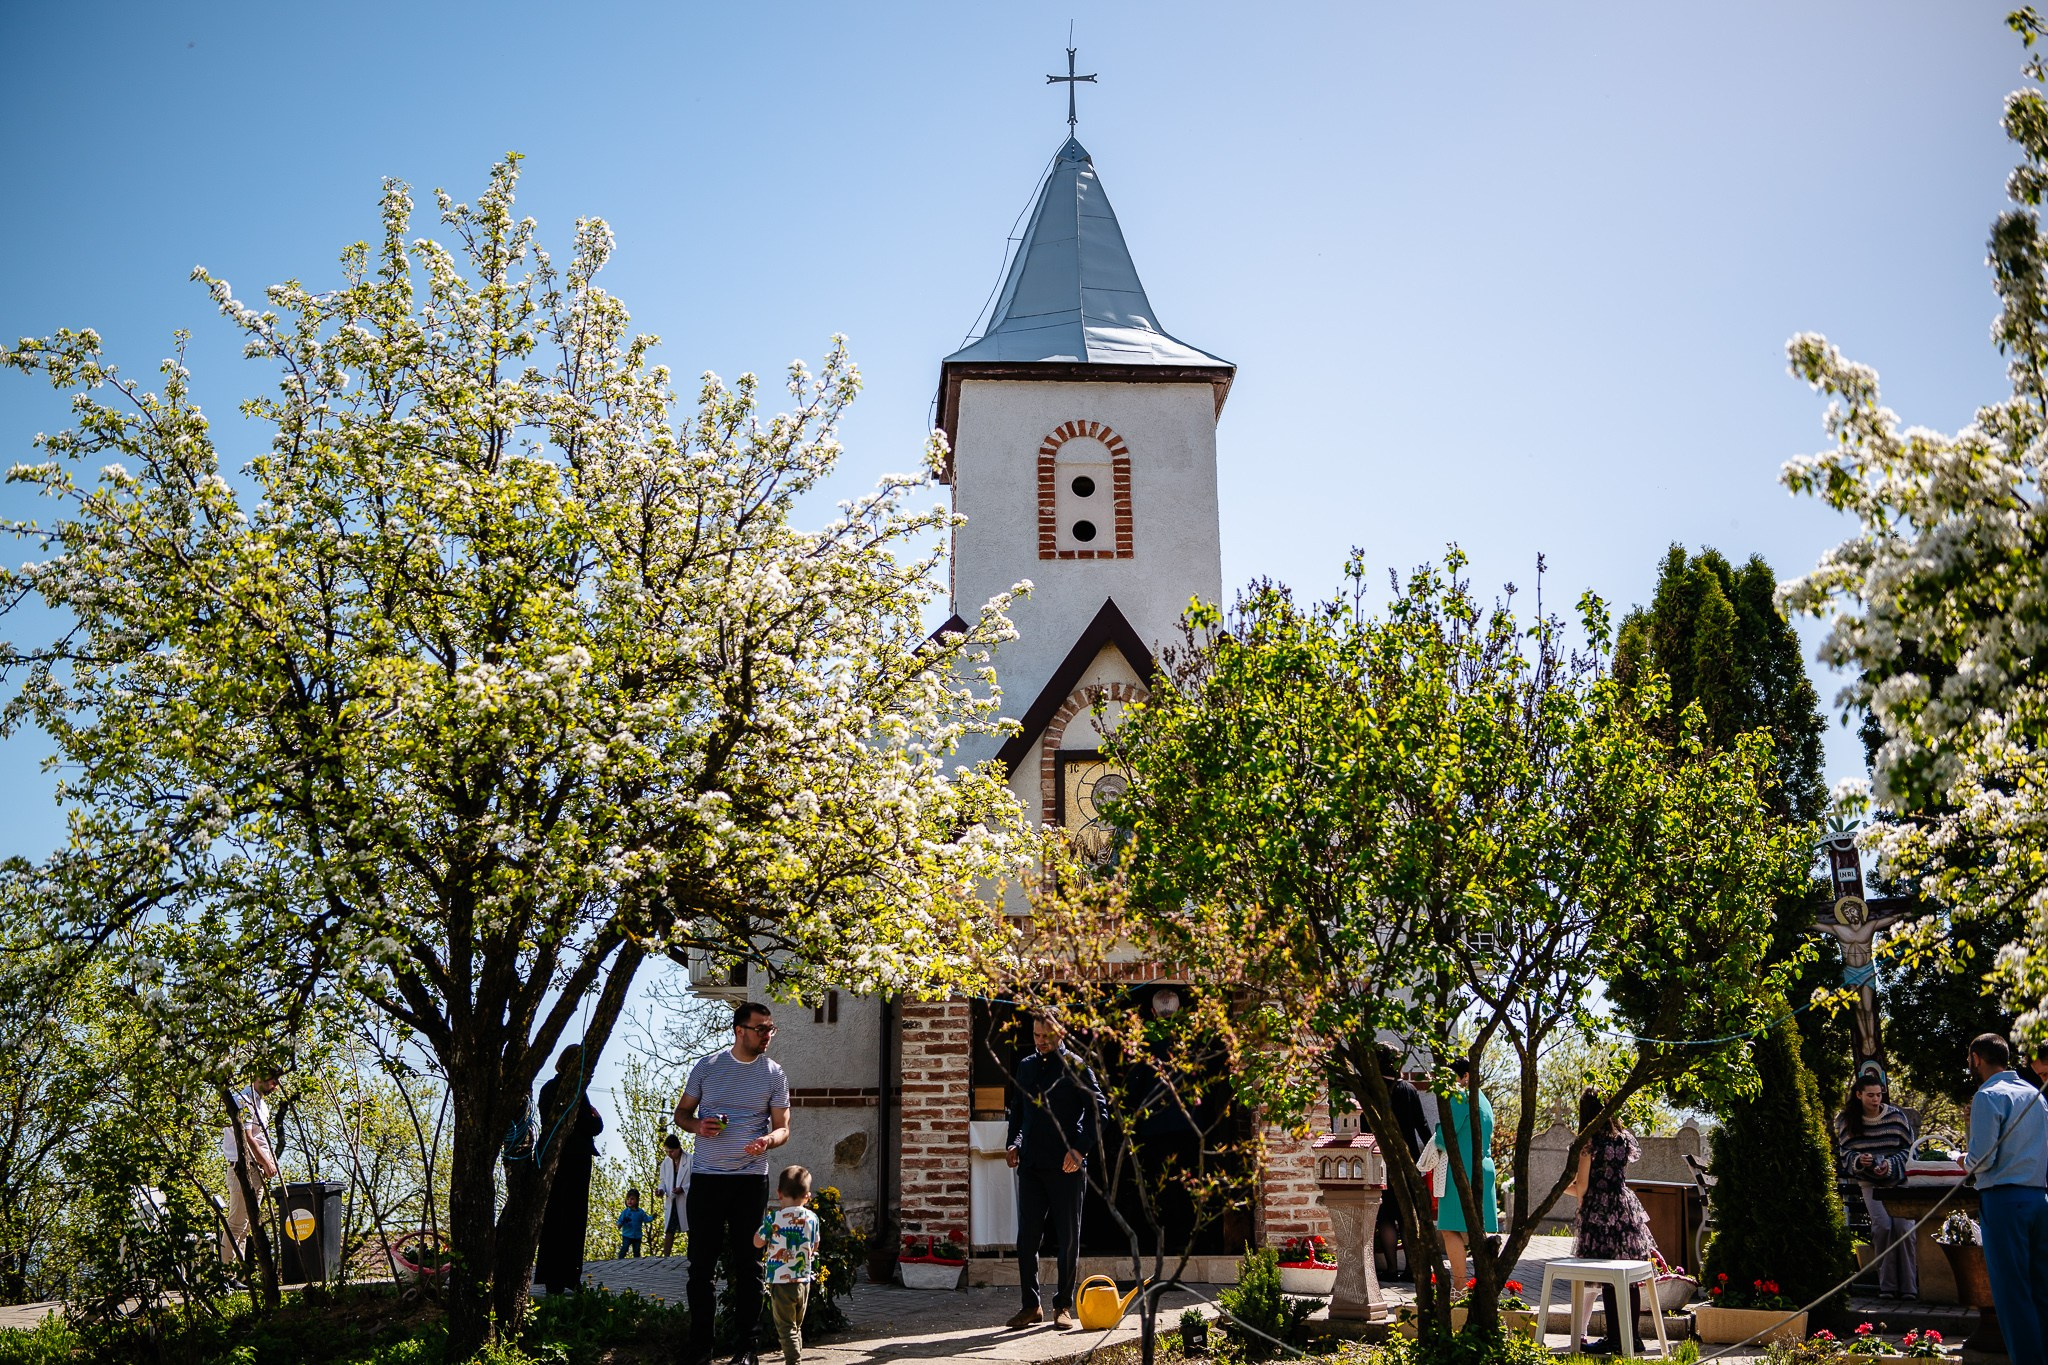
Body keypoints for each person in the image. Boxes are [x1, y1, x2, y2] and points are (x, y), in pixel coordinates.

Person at [675, 1002, 792, 1365]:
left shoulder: (775, 1074)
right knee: (701, 1267)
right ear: (739, 1030)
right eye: (761, 1029)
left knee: (749, 1265)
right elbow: (681, 1114)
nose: (767, 1035)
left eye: (771, 1028)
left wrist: (768, 1141)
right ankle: (700, 1349)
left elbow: (783, 1128)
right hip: (707, 1179)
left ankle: (746, 1349)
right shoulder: (708, 1067)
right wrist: (697, 1126)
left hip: (750, 1180)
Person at [1005, 1015, 1106, 1330]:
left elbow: (1099, 1111)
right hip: (1032, 1166)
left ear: (1060, 1032)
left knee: (1067, 1239)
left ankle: (1063, 1306)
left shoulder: (1076, 1067)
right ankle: (1030, 1306)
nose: (1040, 1041)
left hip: (1067, 1167)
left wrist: (1079, 1150)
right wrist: (1014, 1143)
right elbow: (1019, 1113)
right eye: (1035, 1035)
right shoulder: (1026, 1067)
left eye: (1045, 1036)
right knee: (1026, 1240)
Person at [1965, 1032, 2048, 1362]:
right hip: (2039, 1199)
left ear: (1976, 1058)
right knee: (2041, 1289)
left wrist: (1963, 1161)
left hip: (2004, 1201)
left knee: (2012, 1294)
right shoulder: (2036, 1094)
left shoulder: (1988, 1095)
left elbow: (1983, 1157)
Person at [1567, 1089, 1658, 1356]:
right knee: (1628, 1276)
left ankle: (1616, 1341)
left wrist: (1562, 1188)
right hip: (1624, 1206)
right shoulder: (1621, 1138)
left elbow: (1582, 1187)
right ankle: (1633, 1337)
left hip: (1600, 1211)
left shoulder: (1588, 1142)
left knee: (1608, 1276)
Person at [1832, 1074, 1917, 1298]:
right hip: (1869, 1182)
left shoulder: (1896, 1117)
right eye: (1870, 1095)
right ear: (1859, 1095)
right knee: (1883, 1227)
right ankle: (1887, 1286)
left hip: (1899, 1181)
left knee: (1904, 1229)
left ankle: (1909, 1287)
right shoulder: (1846, 1120)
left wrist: (1889, 1165)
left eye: (1879, 1094)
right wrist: (1861, 1161)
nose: (1875, 1099)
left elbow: (1910, 1150)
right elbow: (1846, 1153)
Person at [535, 1045, 605, 1296]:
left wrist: (592, 1121)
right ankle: (562, 1277)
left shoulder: (552, 1089)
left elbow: (590, 1124)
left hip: (564, 1160)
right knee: (568, 1218)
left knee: (562, 1218)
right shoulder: (568, 1090)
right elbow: (591, 1123)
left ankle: (561, 1277)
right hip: (570, 1160)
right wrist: (594, 1120)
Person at [1430, 1057, 1496, 1285]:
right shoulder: (1484, 1100)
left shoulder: (1461, 1097)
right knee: (1477, 1232)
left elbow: (1444, 1137)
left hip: (1461, 1170)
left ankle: (1459, 1286)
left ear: (1465, 1076)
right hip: (1483, 1167)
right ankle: (1484, 1286)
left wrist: (1437, 1131)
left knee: (1449, 1229)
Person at [1368, 1044, 1431, 1282]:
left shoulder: (1370, 1091)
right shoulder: (1408, 1090)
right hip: (1408, 1161)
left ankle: (1391, 1269)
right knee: (1407, 1215)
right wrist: (1435, 1154)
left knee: (1385, 1215)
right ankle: (1411, 1270)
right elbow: (1421, 1125)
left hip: (1379, 1161)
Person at [753, 1164, 822, 1365]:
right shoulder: (812, 1218)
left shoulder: (774, 1218)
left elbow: (757, 1242)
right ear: (807, 1196)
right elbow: (816, 1244)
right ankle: (796, 1356)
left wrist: (762, 1236)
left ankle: (794, 1362)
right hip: (803, 1281)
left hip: (781, 1280)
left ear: (779, 1193)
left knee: (785, 1327)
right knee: (796, 1326)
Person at [219, 1073, 282, 1267]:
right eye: (273, 1081)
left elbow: (261, 1138)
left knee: (247, 1226)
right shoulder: (243, 1100)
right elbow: (246, 1137)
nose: (275, 1086)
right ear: (260, 1077)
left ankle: (239, 1272)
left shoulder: (263, 1105)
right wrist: (267, 1163)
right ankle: (225, 1272)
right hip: (242, 1167)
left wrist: (269, 1163)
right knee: (237, 1223)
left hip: (258, 1171)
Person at [657, 1132, 692, 1258]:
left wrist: (683, 1189)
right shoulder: (666, 1163)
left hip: (686, 1200)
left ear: (678, 1148)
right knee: (670, 1228)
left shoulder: (690, 1160)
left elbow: (696, 1181)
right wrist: (660, 1190)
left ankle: (693, 1255)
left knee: (690, 1227)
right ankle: (666, 1256)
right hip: (672, 1200)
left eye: (671, 1151)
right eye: (667, 1151)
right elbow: (662, 1181)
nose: (669, 1154)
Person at [617, 1189, 657, 1258]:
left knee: (636, 1250)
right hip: (627, 1235)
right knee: (625, 1248)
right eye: (628, 1199)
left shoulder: (640, 1212)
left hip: (637, 1236)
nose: (629, 1201)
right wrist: (620, 1225)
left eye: (632, 1199)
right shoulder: (625, 1212)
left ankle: (636, 1262)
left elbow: (646, 1219)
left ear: (637, 1200)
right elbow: (620, 1221)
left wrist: (652, 1217)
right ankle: (619, 1260)